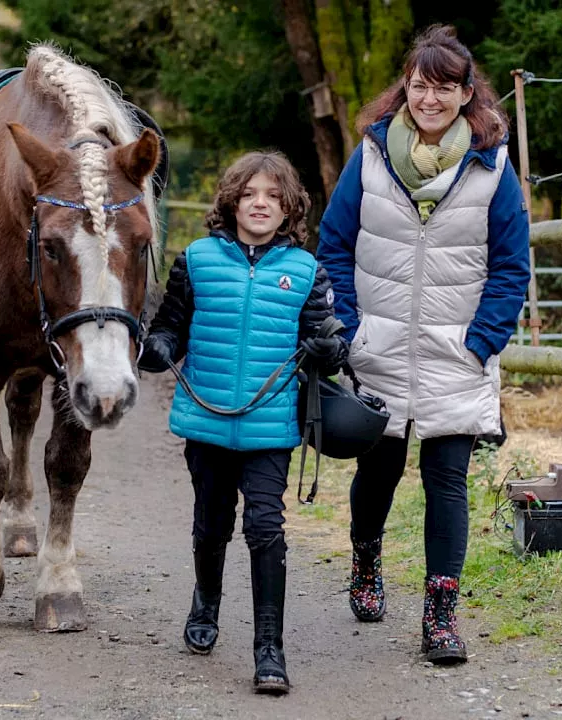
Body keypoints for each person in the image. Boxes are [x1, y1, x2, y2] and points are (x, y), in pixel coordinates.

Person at [315, 24, 531, 665]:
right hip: (376, 346)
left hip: (453, 355)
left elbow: (511, 265)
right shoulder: (372, 156)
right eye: (419, 84)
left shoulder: (493, 170)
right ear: (404, 89)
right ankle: (365, 562)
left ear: (467, 94)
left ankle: (441, 615)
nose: (429, 98)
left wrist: (482, 342)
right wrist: (349, 330)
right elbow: (334, 243)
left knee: (447, 482)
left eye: (443, 87)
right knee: (376, 473)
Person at [139, 151, 348, 694]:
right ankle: (205, 604)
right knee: (211, 524)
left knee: (264, 528)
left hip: (270, 427)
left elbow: (328, 348)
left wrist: (328, 349)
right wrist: (157, 348)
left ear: (289, 210)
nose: (261, 204)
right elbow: (169, 328)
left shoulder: (306, 270)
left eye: (274, 197)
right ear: (231, 201)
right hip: (206, 422)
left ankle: (269, 648)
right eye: (251, 194)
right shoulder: (197, 260)